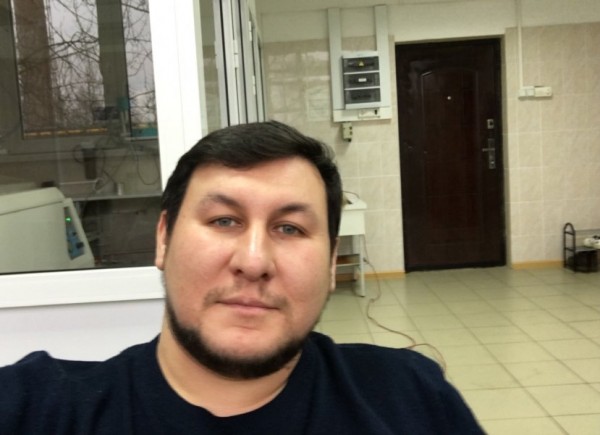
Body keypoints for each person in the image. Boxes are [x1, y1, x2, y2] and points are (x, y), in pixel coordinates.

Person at [0, 121, 484, 434]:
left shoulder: (410, 400)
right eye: (224, 220)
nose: (254, 262)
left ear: (331, 262)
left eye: (290, 228)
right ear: (164, 239)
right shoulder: (38, 408)